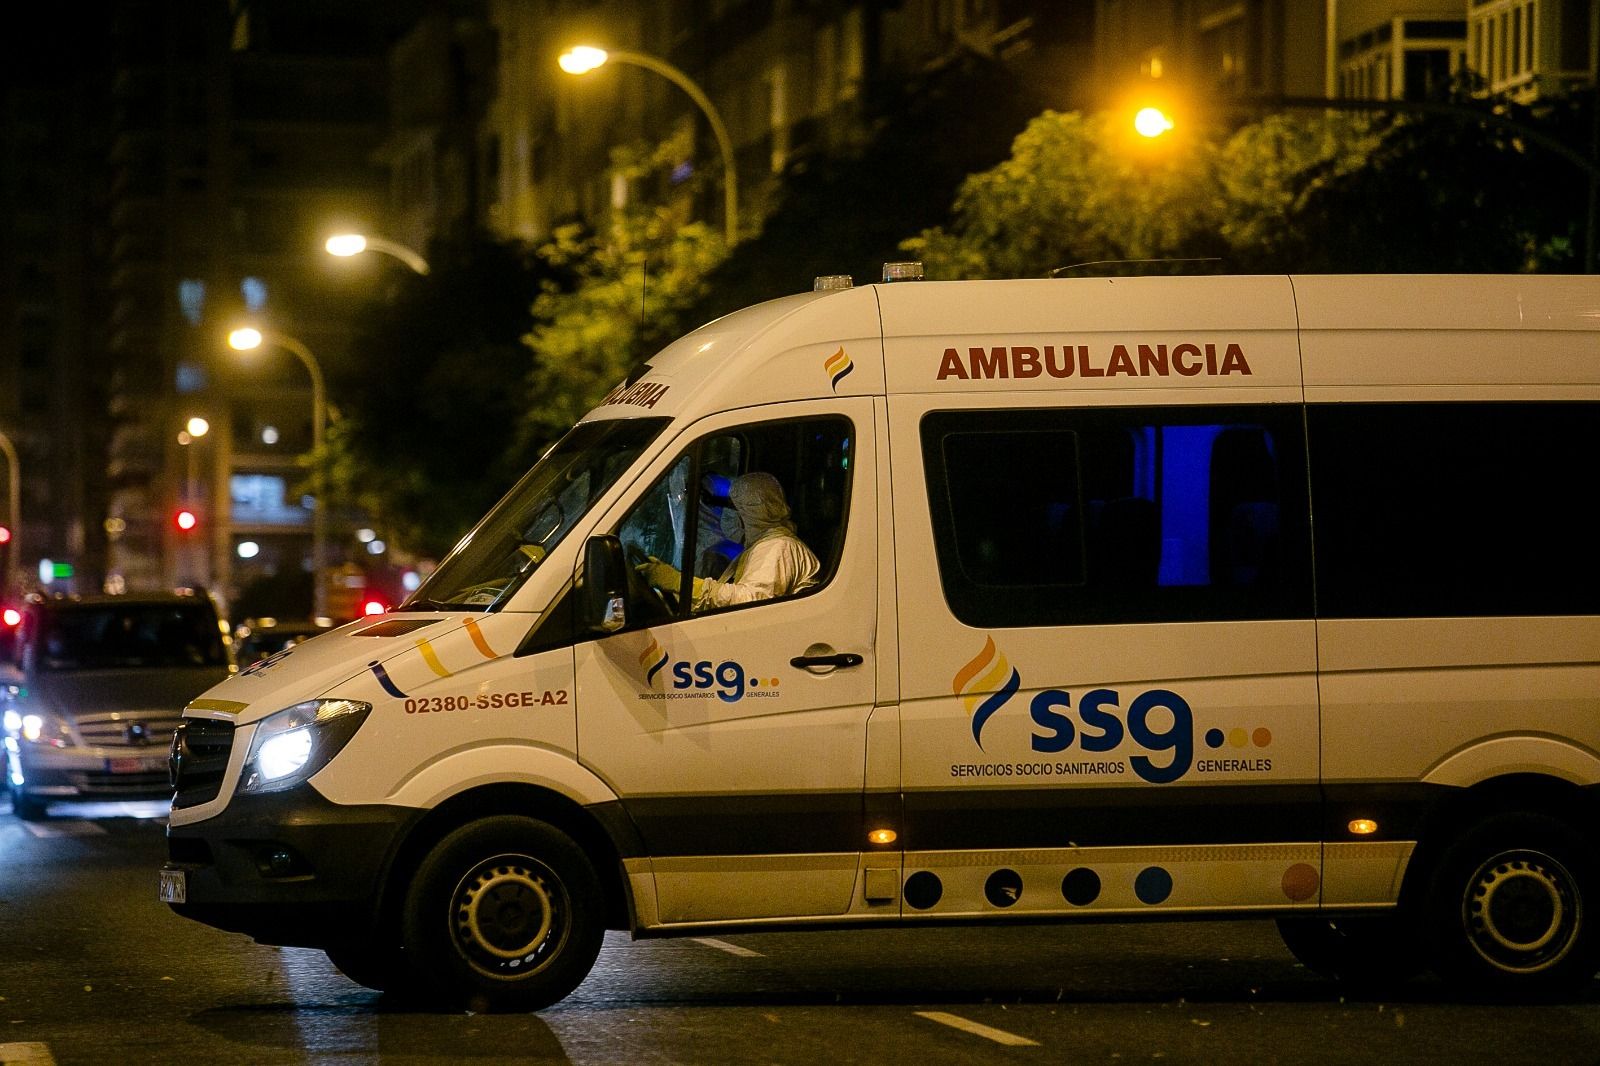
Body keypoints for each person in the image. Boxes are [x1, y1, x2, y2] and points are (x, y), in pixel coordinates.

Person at [640, 472, 820, 609]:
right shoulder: (762, 546)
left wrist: (679, 582)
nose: (727, 514)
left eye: (732, 506)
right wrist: (676, 590)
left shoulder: (779, 547)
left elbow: (749, 602)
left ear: (752, 512)